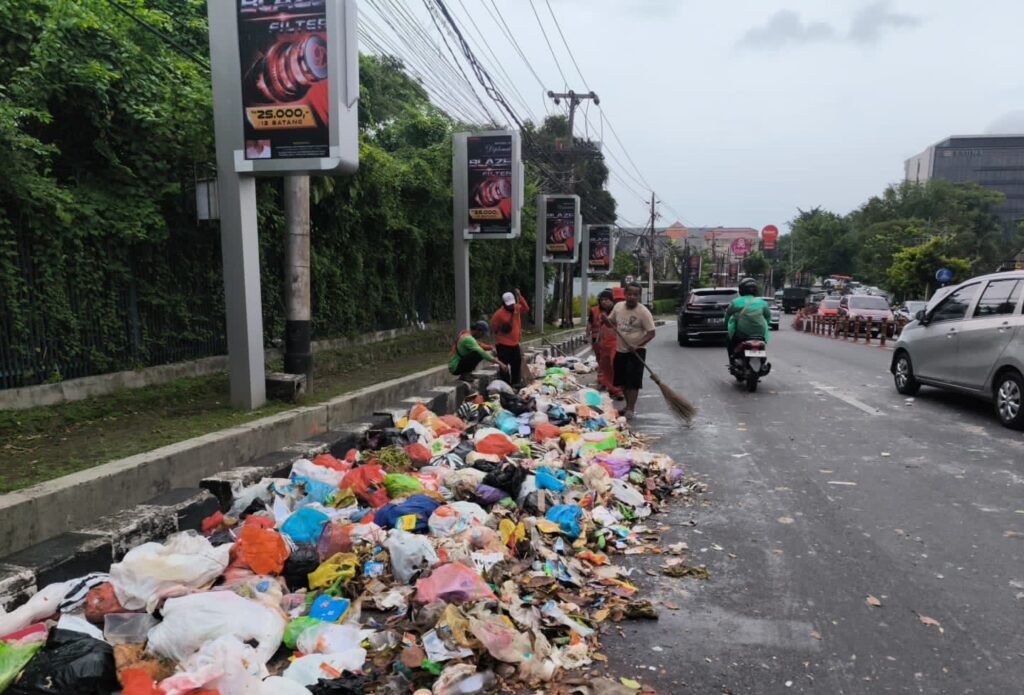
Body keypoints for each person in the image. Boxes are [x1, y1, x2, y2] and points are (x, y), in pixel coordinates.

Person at [605, 282, 656, 419]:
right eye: (629, 294)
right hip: (620, 350)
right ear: (625, 294)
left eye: (635, 294)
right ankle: (627, 405)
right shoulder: (618, 307)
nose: (632, 297)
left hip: (636, 352)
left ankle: (630, 409)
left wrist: (637, 345)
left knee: (633, 382)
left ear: (639, 296)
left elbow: (651, 333)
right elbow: (610, 323)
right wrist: (606, 320)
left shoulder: (643, 312)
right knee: (622, 381)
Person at [725, 278, 772, 362]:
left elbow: (727, 316)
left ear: (741, 290)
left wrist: (726, 326)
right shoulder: (762, 303)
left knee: (729, 339)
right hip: (761, 334)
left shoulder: (735, 302)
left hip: (742, 334)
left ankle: (732, 360)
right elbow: (768, 318)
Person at [588, 289, 623, 399]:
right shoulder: (597, 311)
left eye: (607, 300)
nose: (604, 302)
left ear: (612, 301)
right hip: (603, 344)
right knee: (605, 367)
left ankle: (618, 389)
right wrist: (590, 338)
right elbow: (592, 325)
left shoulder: (617, 311)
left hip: (616, 344)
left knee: (615, 365)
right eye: (602, 300)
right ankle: (610, 387)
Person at [490, 289, 529, 386]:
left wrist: (520, 296)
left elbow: (526, 308)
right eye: (509, 305)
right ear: (504, 303)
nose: (511, 306)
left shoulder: (517, 309)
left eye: (512, 304)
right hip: (502, 344)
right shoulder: (498, 314)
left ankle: (515, 384)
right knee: (504, 366)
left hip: (515, 343)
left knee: (516, 364)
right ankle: (505, 384)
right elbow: (494, 327)